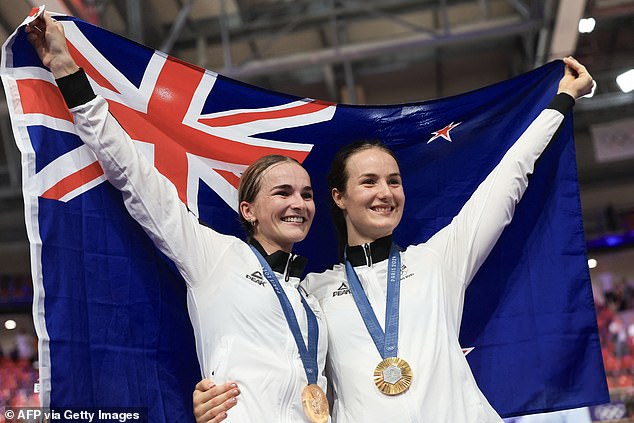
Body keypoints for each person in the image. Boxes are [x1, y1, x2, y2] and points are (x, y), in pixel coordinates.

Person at [193, 56, 593, 422]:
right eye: (369, 182)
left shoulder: (437, 262)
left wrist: (559, 102)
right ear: (339, 198)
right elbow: (267, 351)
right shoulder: (311, 294)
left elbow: (507, 182)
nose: (385, 193)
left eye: (394, 182)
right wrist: (213, 395)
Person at [26, 13, 329, 423]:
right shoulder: (214, 256)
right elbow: (136, 177)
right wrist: (67, 72)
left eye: (307, 194)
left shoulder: (316, 292)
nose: (299, 203)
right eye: (283, 192)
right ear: (248, 210)